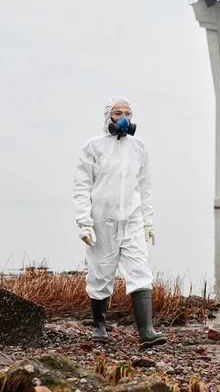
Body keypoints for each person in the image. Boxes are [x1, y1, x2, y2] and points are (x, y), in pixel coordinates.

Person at [72, 95, 167, 348]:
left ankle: (146, 331)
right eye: (118, 113)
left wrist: (148, 222)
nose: (124, 118)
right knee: (101, 273)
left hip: (132, 219)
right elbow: (82, 186)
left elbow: (144, 186)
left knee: (139, 271)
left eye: (128, 113)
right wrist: (84, 221)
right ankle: (100, 326)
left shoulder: (139, 147)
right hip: (102, 220)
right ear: (108, 117)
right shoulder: (94, 146)